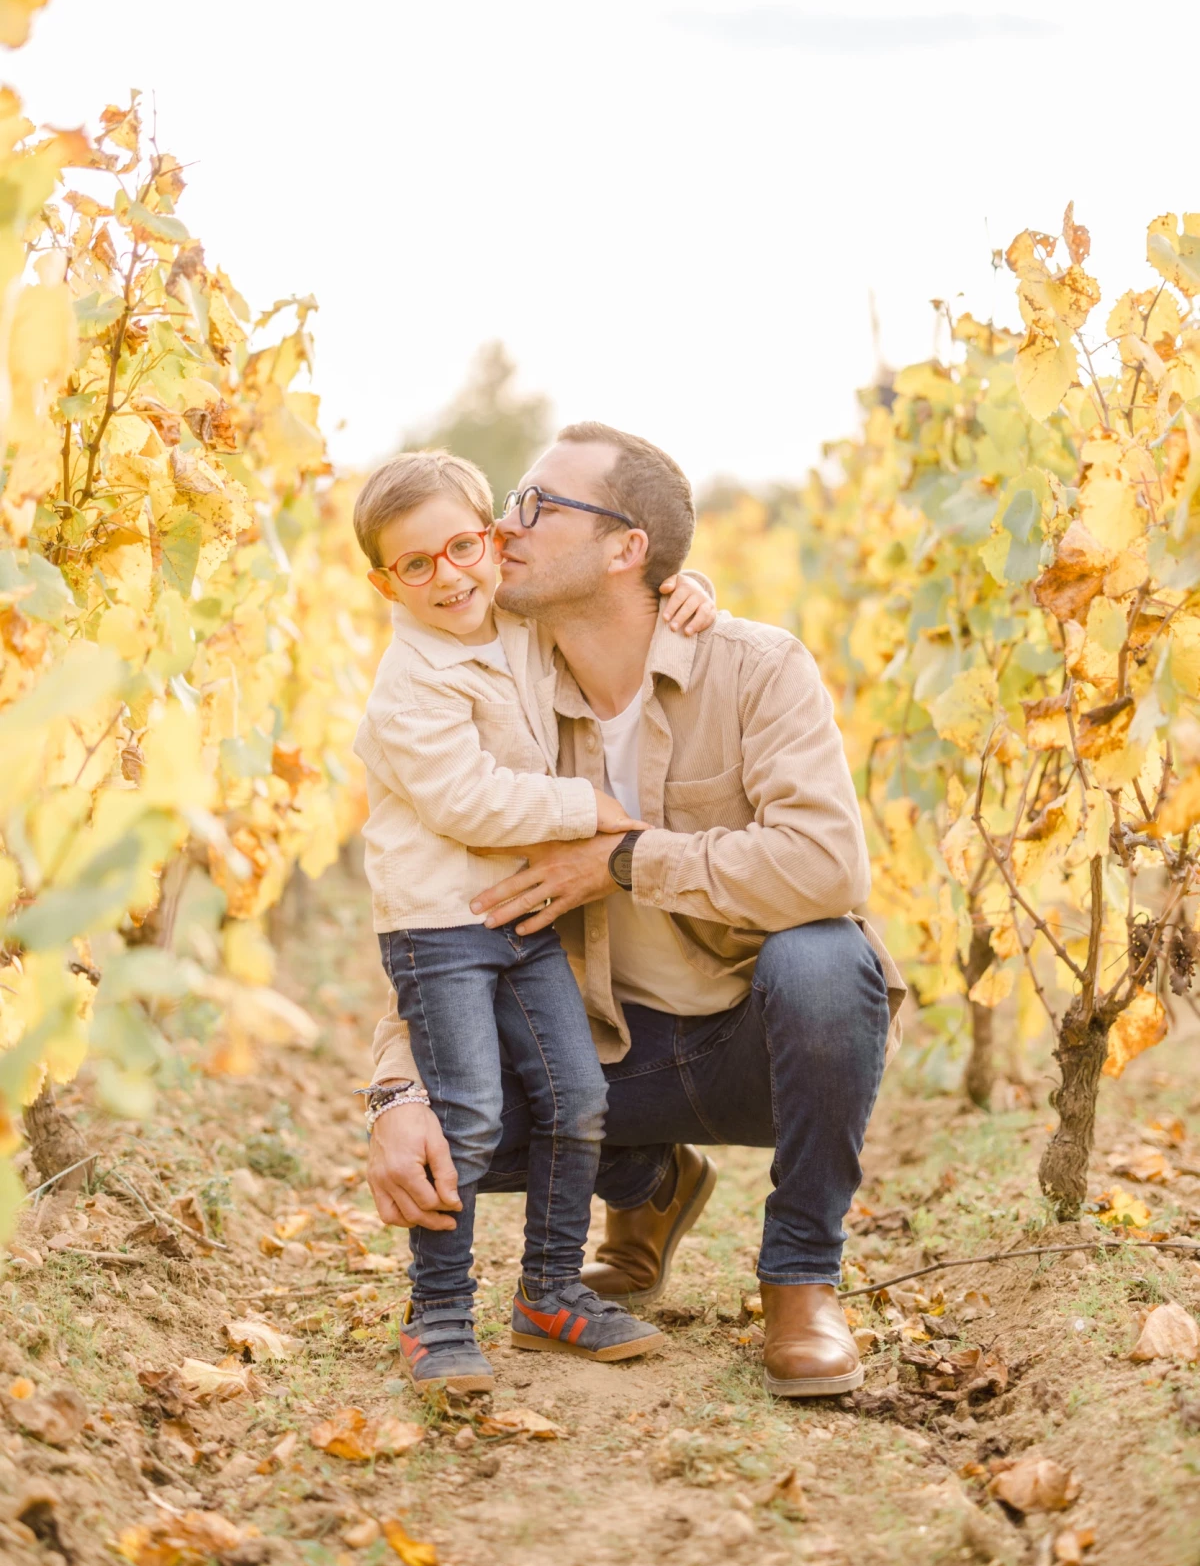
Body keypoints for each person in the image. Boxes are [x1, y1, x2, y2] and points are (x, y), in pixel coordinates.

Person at [367, 423, 906, 1398]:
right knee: (453, 1129)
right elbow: (441, 902)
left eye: (536, 505)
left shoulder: (755, 667)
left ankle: (800, 1280)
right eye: (509, 500)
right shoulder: (506, 688)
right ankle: (648, 1185)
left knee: (827, 960)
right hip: (609, 1054)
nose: (502, 522)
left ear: (628, 550)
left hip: (753, 1037)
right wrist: (397, 1092)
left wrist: (624, 861)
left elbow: (827, 865)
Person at [352, 449, 717, 1395]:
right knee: (466, 1116)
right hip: (440, 930)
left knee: (577, 1100)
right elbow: (467, 802)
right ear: (384, 581)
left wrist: (683, 587)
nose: (449, 576)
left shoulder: (511, 619)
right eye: (416, 565)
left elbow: (607, 603)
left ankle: (550, 1293)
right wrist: (586, 809)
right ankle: (435, 1318)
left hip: (522, 920)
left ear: (491, 538)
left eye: (463, 546)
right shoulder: (411, 681)